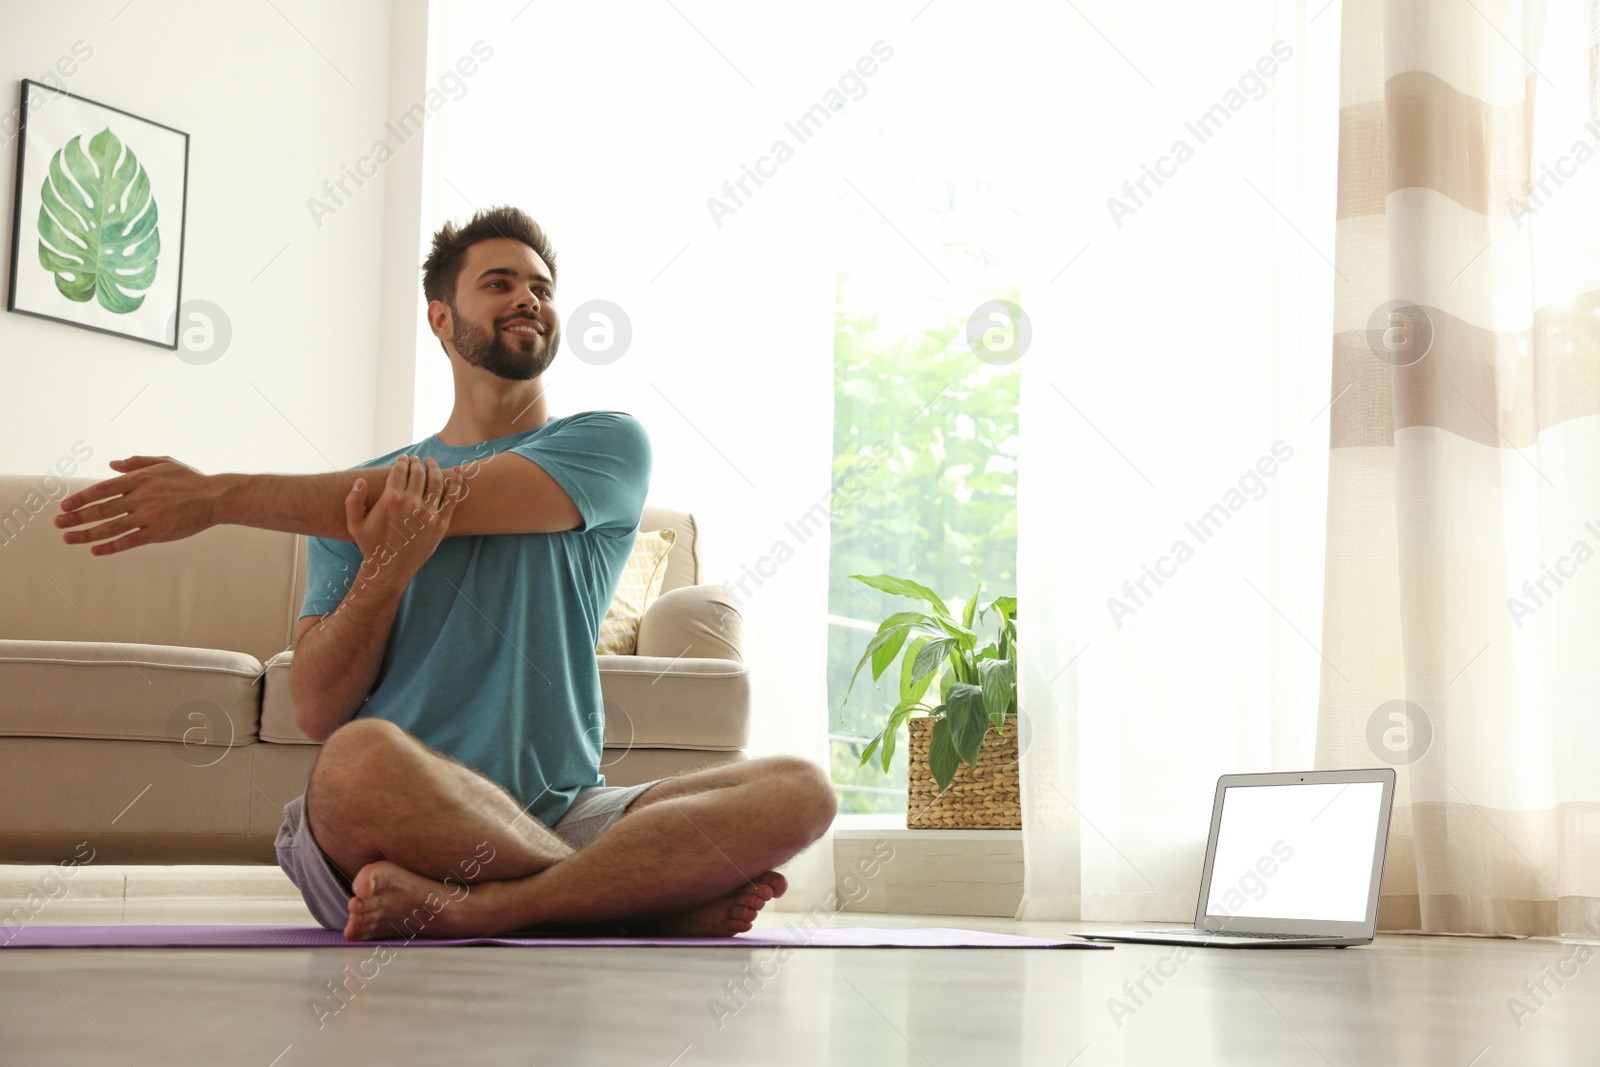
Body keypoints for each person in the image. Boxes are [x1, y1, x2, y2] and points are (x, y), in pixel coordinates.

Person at [54, 206, 836, 941]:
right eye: (499, 283)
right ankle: (623, 899)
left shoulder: (606, 445)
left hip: (560, 812)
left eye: (541, 287)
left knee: (802, 789)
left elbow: (445, 500)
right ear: (440, 317)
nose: (528, 298)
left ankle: (488, 909)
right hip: (399, 821)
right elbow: (319, 707)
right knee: (355, 757)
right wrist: (385, 570)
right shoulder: (353, 505)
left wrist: (220, 496)